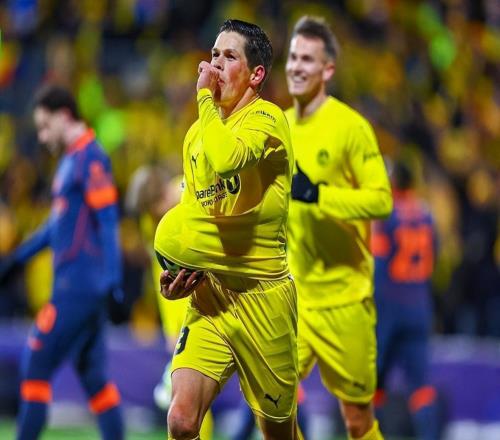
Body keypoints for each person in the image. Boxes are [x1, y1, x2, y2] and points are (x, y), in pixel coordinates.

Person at [154, 19, 300, 440]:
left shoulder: (267, 119)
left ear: (255, 75)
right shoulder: (195, 136)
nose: (215, 64)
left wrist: (203, 97)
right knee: (181, 420)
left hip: (263, 296)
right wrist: (180, 275)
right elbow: (194, 218)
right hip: (212, 296)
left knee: (279, 434)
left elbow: (227, 159)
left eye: (229, 56)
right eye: (214, 54)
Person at [285, 16, 392, 440]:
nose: (296, 66)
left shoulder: (351, 128)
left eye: (307, 59)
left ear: (327, 69)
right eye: (293, 57)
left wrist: (319, 195)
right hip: (294, 298)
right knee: (270, 405)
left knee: (357, 421)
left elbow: (381, 200)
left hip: (345, 300)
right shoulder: (279, 127)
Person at [0, 85, 124, 440]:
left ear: (64, 116)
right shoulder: (72, 160)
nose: (41, 136)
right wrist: (17, 259)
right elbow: (56, 228)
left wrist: (114, 281)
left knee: (36, 362)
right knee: (94, 377)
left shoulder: (90, 158)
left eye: (44, 126)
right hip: (82, 287)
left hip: (77, 288)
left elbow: (108, 220)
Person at [125, 165, 214, 439]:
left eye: (152, 211)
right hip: (188, 308)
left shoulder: (195, 194)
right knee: (189, 393)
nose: (152, 219)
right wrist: (171, 326)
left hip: (218, 302)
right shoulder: (152, 221)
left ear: (163, 195)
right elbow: (161, 274)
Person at [371, 160, 439, 440]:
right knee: (420, 389)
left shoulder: (385, 215)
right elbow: (435, 258)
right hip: (419, 305)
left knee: (373, 384)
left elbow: (377, 265)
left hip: (388, 306)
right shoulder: (427, 213)